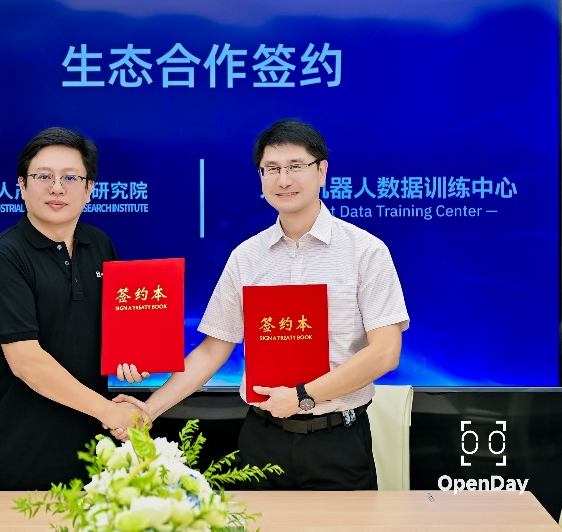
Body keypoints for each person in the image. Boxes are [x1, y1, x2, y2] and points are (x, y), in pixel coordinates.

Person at [115, 119, 409, 490]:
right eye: (272, 169)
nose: (283, 180)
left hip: (338, 442)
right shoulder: (247, 257)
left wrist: (302, 397)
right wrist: (149, 408)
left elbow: (385, 353)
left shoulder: (365, 251)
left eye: (295, 166)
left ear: (322, 171)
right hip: (262, 438)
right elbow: (212, 350)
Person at [0, 127, 146, 492]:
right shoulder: (2, 256)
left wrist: (132, 355)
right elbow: (27, 362)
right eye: (43, 176)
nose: (57, 187)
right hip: (20, 458)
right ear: (22, 185)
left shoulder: (99, 243)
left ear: (89, 189)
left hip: (92, 455)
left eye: (70, 177)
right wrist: (111, 412)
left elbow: (116, 327)